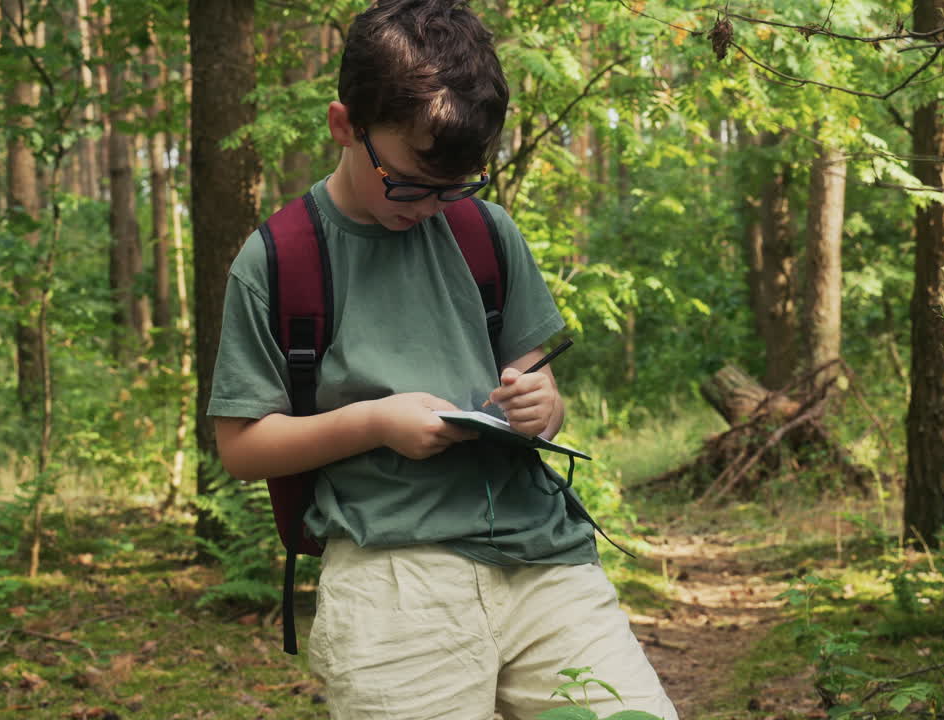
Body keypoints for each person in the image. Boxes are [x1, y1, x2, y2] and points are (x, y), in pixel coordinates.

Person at [207, 1, 679, 718]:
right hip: (392, 581)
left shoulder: (484, 231)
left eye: (456, 185)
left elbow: (538, 386)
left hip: (544, 564)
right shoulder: (278, 262)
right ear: (345, 126)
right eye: (410, 182)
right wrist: (374, 422)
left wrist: (540, 406)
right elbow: (242, 447)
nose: (430, 205)